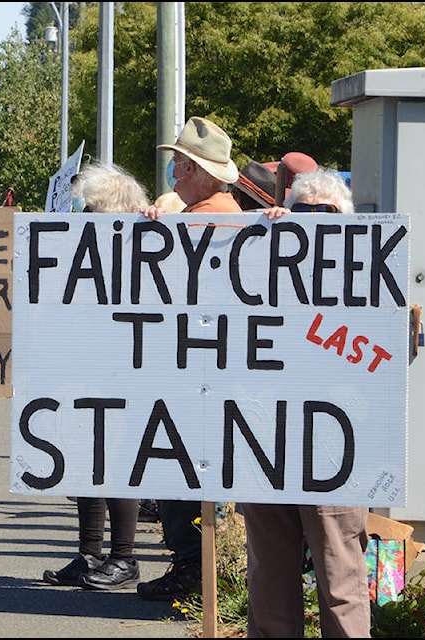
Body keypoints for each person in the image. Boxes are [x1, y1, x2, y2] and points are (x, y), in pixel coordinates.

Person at [244, 168, 372, 638]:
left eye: (326, 215)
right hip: (262, 437)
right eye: (303, 213)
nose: (312, 224)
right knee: (269, 583)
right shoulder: (260, 258)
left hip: (333, 446)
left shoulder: (369, 275)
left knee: (341, 579)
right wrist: (262, 233)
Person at [136, 115, 243, 602]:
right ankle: (198, 571)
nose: (173, 177)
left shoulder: (204, 222)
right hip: (209, 369)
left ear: (202, 172)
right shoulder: (221, 218)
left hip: (195, 374)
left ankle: (192, 573)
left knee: (184, 476)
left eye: (179, 167)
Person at [40, 162, 150, 591]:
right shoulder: (87, 250)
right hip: (86, 368)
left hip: (125, 371)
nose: (85, 217)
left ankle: (125, 557)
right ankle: (90, 553)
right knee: (87, 461)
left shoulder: (143, 248)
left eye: (92, 209)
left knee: (119, 462)